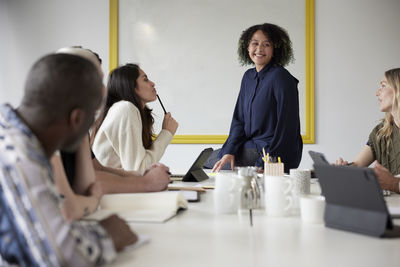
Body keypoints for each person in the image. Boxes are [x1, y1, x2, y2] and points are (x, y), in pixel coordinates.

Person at [0, 53, 136, 266]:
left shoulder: (12, 131)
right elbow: (61, 256)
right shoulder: (19, 156)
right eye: (92, 116)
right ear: (77, 119)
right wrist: (108, 235)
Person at [51, 47, 171, 220]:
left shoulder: (78, 127)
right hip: (108, 200)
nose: (104, 91)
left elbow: (95, 172)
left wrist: (141, 176)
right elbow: (90, 186)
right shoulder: (125, 108)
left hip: (104, 200)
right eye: (97, 81)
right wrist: (145, 180)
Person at [206, 23, 303, 173]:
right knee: (210, 158)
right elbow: (239, 121)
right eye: (255, 43)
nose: (259, 49)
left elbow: (287, 127)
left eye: (266, 44)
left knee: (211, 162)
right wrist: (229, 151)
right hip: (250, 146)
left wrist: (266, 162)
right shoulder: (248, 77)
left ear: (275, 49)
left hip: (271, 151)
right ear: (247, 47)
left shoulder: (280, 77)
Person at [92, 63, 179, 174]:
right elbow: (138, 170)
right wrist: (166, 133)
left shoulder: (127, 110)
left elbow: (138, 169)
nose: (153, 84)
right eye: (145, 80)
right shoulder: (125, 108)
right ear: (130, 86)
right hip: (110, 188)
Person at [336, 68, 400, 193]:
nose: (377, 93)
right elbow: (358, 165)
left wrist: (394, 183)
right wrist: (345, 169)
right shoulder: (380, 132)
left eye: (383, 86)